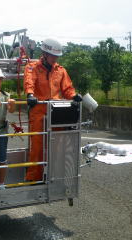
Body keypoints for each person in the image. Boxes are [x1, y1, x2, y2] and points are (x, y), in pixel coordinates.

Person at [24, 38, 82, 181]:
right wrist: (30, 95)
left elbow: (67, 88)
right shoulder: (32, 67)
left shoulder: (60, 70)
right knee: (37, 146)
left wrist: (74, 96)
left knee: (57, 145)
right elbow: (29, 81)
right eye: (52, 56)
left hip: (56, 111)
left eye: (56, 56)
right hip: (38, 110)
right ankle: (34, 178)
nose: (55, 59)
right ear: (44, 54)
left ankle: (55, 175)